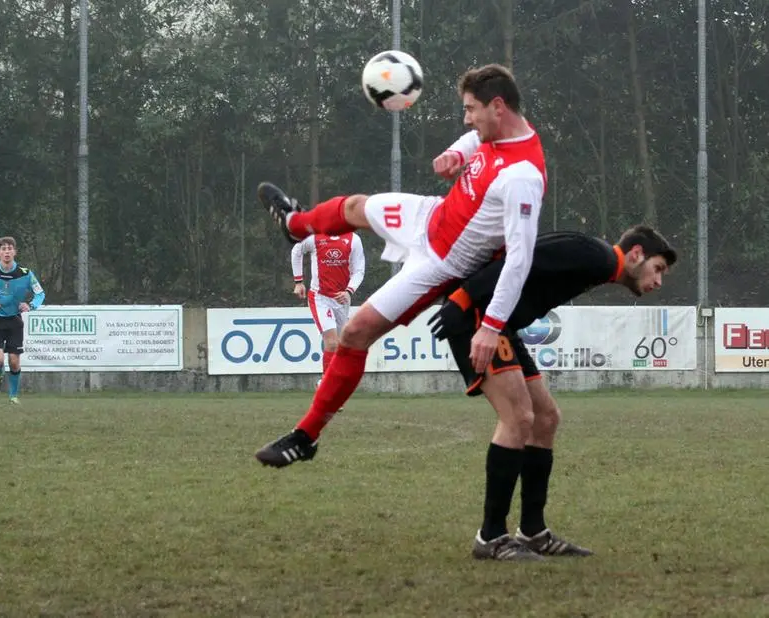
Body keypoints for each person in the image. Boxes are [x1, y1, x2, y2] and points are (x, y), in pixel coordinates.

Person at [256, 64, 548, 467]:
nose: (466, 118)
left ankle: (305, 436)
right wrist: (457, 153)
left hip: (441, 262)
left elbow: (520, 259)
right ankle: (294, 223)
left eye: (470, 109)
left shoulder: (521, 178)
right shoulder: (502, 130)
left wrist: (491, 326)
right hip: (430, 217)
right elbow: (473, 139)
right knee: (355, 205)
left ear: (497, 106)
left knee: (355, 333)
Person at [426, 224, 677, 560]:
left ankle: (533, 532)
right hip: (479, 317)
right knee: (517, 417)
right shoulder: (596, 257)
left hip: (500, 323)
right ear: (636, 254)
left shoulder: (598, 261)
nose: (658, 281)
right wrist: (462, 298)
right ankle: (491, 537)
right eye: (657, 268)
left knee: (545, 418)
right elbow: (522, 258)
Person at [0, 236, 46, 404]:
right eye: (3, 249)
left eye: (9, 248)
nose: (7, 252)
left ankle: (13, 396)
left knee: (14, 362)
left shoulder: (26, 274)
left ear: (15, 252)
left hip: (14, 321)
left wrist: (30, 305)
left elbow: (40, 293)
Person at [291, 233, 365, 380]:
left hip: (341, 300)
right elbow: (297, 250)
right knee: (331, 342)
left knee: (341, 345)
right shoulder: (315, 237)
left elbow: (359, 270)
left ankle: (335, 382)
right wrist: (298, 281)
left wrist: (349, 291)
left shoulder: (354, 239)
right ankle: (327, 383)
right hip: (319, 297)